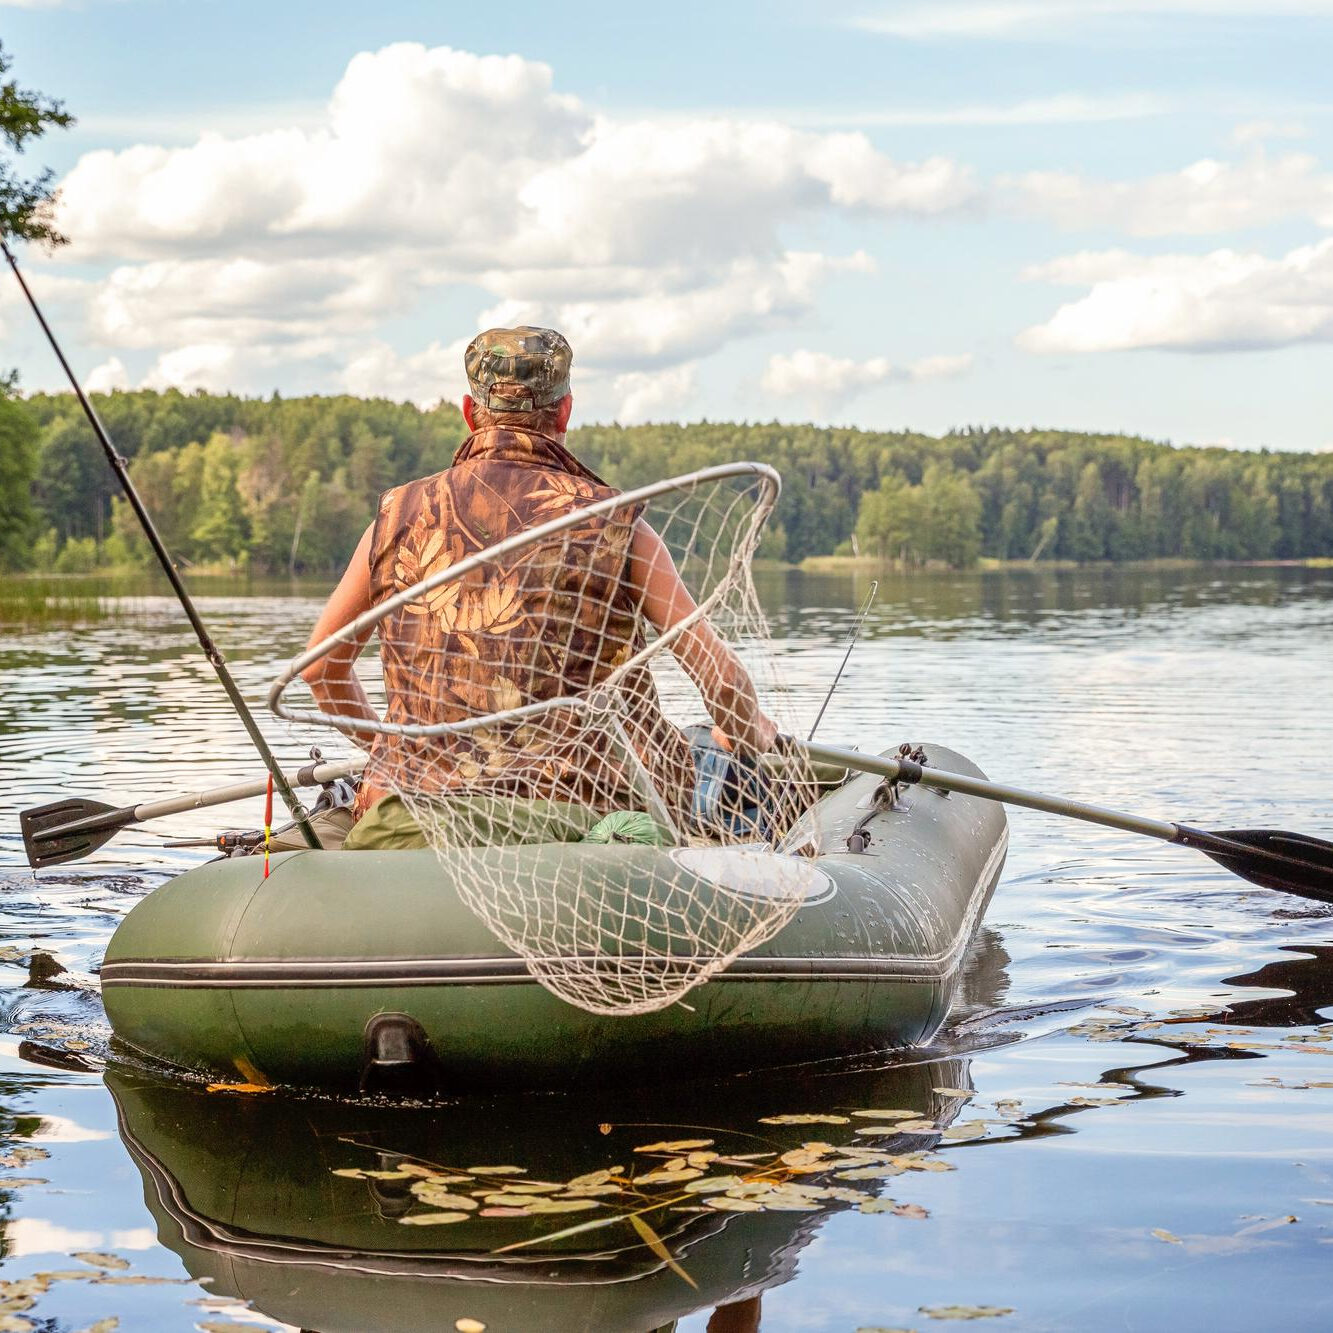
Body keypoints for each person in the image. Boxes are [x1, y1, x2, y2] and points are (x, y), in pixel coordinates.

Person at [296, 326, 778, 851]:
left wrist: (394, 750)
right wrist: (752, 736)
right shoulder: (614, 524)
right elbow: (723, 684)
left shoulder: (397, 518)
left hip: (408, 823)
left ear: (468, 410)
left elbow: (322, 670)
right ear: (565, 412)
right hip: (575, 824)